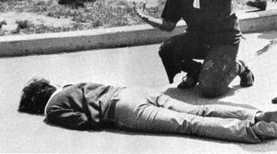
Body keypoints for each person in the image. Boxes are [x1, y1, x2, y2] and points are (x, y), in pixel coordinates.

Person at [134, 0, 277, 98]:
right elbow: (168, 25)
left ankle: (238, 67)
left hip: (225, 42)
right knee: (167, 50)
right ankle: (195, 72)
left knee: (209, 88)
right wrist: (145, 17)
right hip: (199, 40)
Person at [18, 77, 277, 143]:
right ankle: (253, 114)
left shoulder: (52, 109)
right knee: (198, 111)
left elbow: (82, 121)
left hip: (120, 109)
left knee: (188, 124)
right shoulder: (68, 85)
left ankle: (253, 131)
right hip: (131, 91)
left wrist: (104, 121)